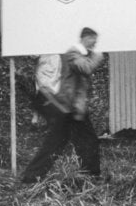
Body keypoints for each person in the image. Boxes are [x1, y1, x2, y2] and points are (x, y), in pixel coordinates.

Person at [19, 27, 105, 186]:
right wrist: (97, 56)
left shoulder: (79, 54)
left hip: (72, 108)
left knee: (65, 142)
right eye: (93, 40)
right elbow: (86, 67)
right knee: (75, 142)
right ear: (85, 38)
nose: (94, 44)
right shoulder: (72, 53)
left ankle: (31, 177)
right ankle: (90, 176)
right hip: (69, 107)